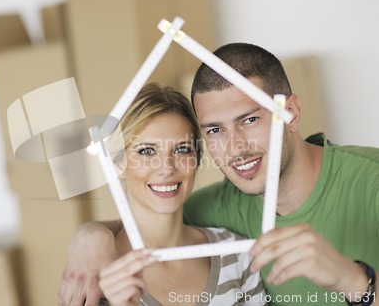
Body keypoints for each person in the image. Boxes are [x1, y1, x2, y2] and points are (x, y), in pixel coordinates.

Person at [59, 44, 378, 306]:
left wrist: (352, 280)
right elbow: (155, 219)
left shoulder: (371, 181)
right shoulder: (214, 209)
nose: (235, 147)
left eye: (250, 119)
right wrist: (91, 238)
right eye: (215, 129)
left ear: (290, 113)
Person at [78, 83, 266, 305]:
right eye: (147, 151)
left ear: (196, 160)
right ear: (117, 163)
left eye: (181, 149)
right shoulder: (94, 271)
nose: (167, 167)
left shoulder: (236, 256)